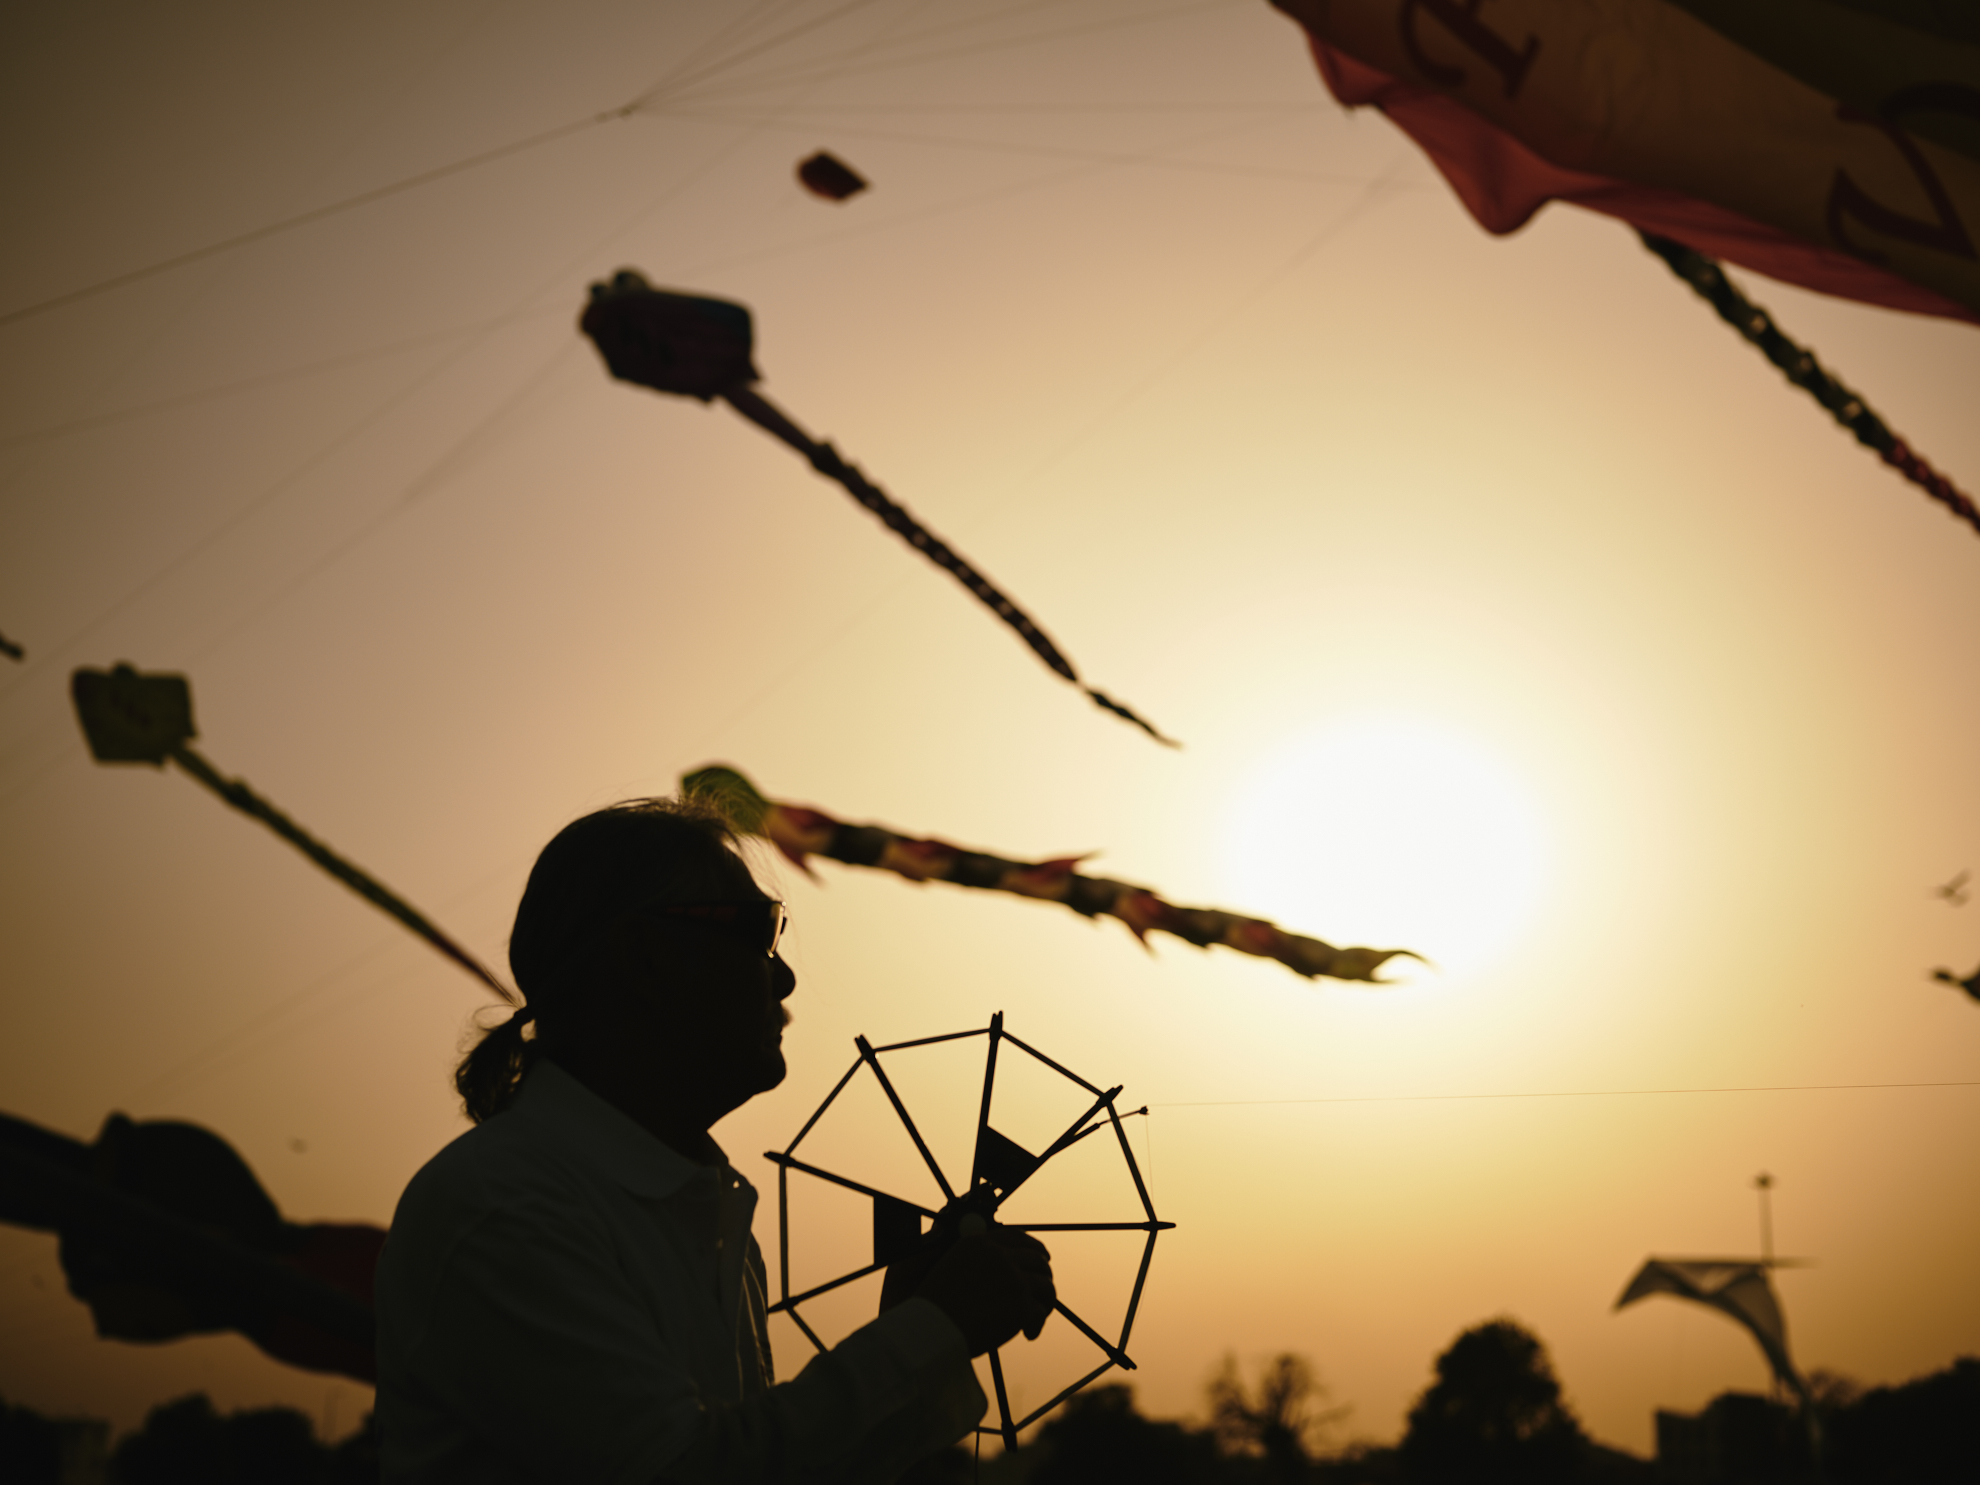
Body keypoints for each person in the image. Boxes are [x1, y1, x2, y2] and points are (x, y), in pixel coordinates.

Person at [376, 797, 1054, 1483]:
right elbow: (693, 1468)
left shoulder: (703, 1210)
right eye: (759, 930)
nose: (783, 976)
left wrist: (913, 1318)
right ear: (641, 955)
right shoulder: (505, 1206)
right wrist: (936, 1325)